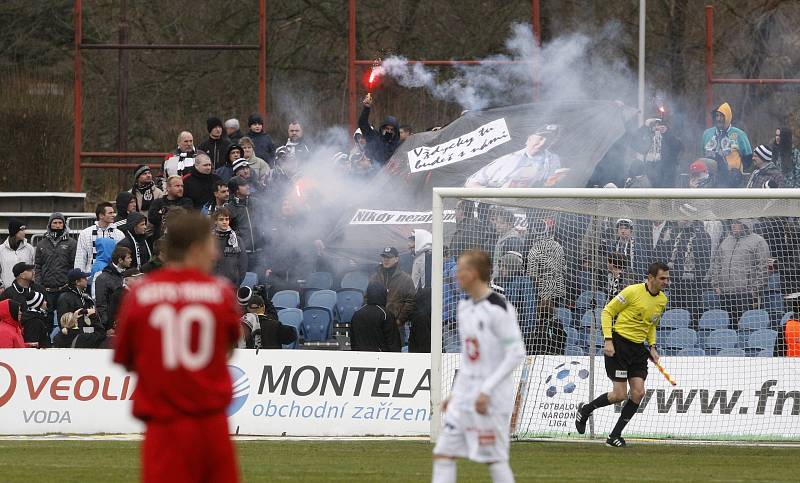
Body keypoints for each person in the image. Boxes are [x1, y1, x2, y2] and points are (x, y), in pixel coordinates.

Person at [113, 210, 241, 483]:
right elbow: (228, 348)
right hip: (212, 425)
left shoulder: (141, 294)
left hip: (164, 426)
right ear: (195, 249)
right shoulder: (220, 293)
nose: (215, 255)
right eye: (210, 247)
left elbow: (126, 358)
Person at [432, 250, 525, 483]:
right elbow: (468, 358)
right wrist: (455, 393)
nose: (456, 275)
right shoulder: (464, 307)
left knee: (495, 459)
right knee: (444, 452)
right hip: (466, 396)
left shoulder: (499, 308)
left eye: (460, 270)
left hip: (492, 398)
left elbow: (516, 354)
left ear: (472, 274)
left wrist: (486, 390)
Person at [575, 262, 669, 448]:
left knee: (638, 393)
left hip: (638, 350)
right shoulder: (632, 291)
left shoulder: (662, 300)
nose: (667, 282)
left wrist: (652, 346)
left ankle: (614, 435)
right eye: (662, 278)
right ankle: (585, 410)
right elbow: (607, 311)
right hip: (619, 345)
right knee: (619, 395)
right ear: (651, 278)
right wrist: (608, 340)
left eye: (667, 278)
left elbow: (651, 325)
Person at [711, 219, 770, 328]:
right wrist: (716, 284)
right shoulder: (726, 241)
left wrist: (756, 289)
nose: (733, 225)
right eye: (732, 223)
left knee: (746, 327)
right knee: (729, 326)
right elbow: (717, 264)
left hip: (746, 293)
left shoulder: (758, 241)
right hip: (726, 293)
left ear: (745, 225)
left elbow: (763, 267)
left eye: (737, 223)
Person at [465, 125, 561, 188]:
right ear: (529, 138)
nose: (543, 143)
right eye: (540, 138)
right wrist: (493, 197)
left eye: (549, 140)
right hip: (504, 212)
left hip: (534, 212)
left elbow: (551, 184)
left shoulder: (553, 160)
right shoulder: (509, 160)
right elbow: (472, 183)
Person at [34, 212, 77, 324]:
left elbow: (73, 265)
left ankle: (63, 341)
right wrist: (39, 285)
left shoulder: (72, 243)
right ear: (50, 224)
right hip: (46, 289)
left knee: (64, 320)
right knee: (46, 320)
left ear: (64, 224)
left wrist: (69, 284)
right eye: (55, 223)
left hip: (64, 288)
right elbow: (37, 266)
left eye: (60, 223)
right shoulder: (41, 244)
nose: (58, 225)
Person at [702, 102, 752, 187]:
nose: (719, 119)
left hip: (733, 183)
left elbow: (748, 158)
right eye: (717, 116)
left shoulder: (740, 134)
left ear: (728, 117)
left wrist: (735, 173)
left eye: (722, 116)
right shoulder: (707, 134)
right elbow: (703, 154)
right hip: (710, 183)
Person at [526, 217, 566, 324]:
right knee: (558, 323)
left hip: (543, 295)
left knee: (543, 324)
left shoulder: (534, 250)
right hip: (559, 290)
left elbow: (532, 275)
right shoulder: (558, 246)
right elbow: (564, 268)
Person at [370, 247, 416, 335]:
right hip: (376, 325)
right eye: (384, 257)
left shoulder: (406, 279)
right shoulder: (374, 278)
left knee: (395, 348)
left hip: (396, 327)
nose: (386, 260)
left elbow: (411, 301)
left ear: (396, 259)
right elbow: (367, 298)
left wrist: (399, 321)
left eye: (389, 257)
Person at [350, 281, 401, 352]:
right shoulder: (386, 314)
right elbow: (393, 343)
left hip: (360, 359)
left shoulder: (357, 314)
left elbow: (353, 341)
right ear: (383, 294)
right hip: (381, 359)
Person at [74, 202, 125, 273]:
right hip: (90, 275)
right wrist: (79, 276)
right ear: (101, 215)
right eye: (110, 213)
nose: (113, 215)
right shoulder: (85, 233)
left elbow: (122, 256)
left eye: (113, 213)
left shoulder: (119, 234)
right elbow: (80, 257)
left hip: (113, 275)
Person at [93, 246, 132, 329]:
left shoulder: (125, 274)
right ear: (120, 260)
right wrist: (107, 326)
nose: (131, 260)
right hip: (111, 324)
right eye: (128, 258)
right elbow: (101, 304)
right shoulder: (103, 278)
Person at [638, 118, 682, 188]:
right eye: (655, 126)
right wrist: (645, 126)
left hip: (666, 178)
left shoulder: (670, 138)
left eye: (660, 126)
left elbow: (677, 147)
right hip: (650, 176)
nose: (657, 129)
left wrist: (666, 133)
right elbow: (633, 142)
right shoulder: (648, 140)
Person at [358, 94, 401, 165]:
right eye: (387, 128)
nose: (389, 131)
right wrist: (366, 108)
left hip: (386, 174)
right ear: (383, 128)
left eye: (392, 130)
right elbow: (363, 124)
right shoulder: (374, 136)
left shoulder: (397, 145)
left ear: (395, 131)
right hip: (368, 171)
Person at [212, 208, 247, 286]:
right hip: (213, 285)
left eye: (227, 219)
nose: (225, 222)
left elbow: (243, 263)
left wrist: (237, 281)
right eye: (221, 219)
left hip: (232, 285)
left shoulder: (237, 240)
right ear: (215, 221)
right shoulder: (209, 240)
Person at [489, 208, 524, 280]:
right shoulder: (501, 237)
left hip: (505, 282)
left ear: (510, 224)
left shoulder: (514, 240)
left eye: (501, 223)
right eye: (497, 222)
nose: (497, 225)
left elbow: (513, 268)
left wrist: (502, 282)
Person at [0, 219, 35, 289]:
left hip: (25, 290)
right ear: (14, 232)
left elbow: (33, 268)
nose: (24, 232)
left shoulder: (29, 248)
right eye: (21, 230)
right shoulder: (1, 249)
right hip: (6, 290)